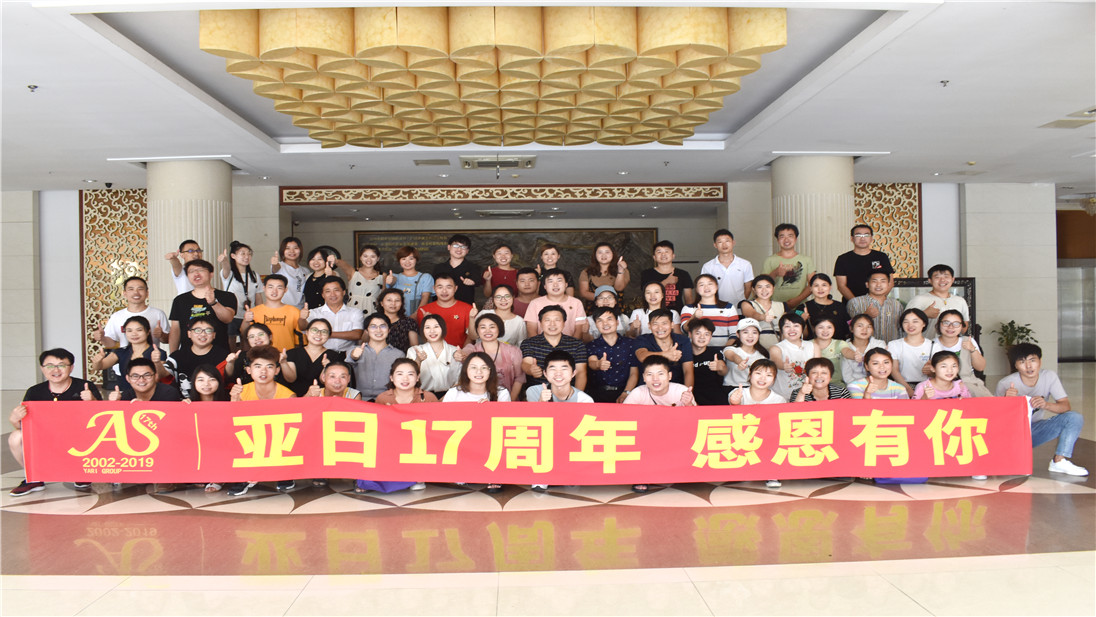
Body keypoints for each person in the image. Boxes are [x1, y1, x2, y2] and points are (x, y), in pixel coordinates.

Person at [8, 348, 101, 497]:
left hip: (79, 439)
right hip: (47, 438)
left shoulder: (85, 387)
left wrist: (92, 401)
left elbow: (102, 421)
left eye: (61, 365)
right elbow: (26, 428)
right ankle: (34, 478)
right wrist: (14, 420)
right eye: (50, 366)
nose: (56, 370)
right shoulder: (34, 392)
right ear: (42, 368)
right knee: (15, 436)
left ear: (71, 367)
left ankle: (82, 472)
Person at [996, 343, 1087, 477]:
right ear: (1015, 365)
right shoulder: (1005, 384)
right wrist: (1007, 401)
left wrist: (1046, 405)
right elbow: (995, 421)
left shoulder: (1049, 376)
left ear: (1040, 361)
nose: (1028, 366)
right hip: (1012, 435)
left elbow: (1065, 406)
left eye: (1032, 360)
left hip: (1035, 430)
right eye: (1022, 362)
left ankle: (1059, 461)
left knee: (1074, 417)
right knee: (1015, 469)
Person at [226, 346, 296, 496]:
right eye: (257, 366)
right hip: (250, 440)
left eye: (269, 366)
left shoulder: (288, 395)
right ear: (249, 370)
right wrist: (234, 400)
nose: (263, 371)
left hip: (277, 440)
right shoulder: (241, 392)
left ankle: (285, 473)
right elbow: (233, 424)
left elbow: (293, 428)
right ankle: (245, 476)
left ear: (277, 370)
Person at [623, 355, 695, 493]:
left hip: (675, 436)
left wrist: (689, 404)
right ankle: (641, 477)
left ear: (669, 376)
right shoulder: (637, 393)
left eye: (660, 374)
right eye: (650, 374)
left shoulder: (681, 391)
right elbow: (624, 420)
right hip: (646, 438)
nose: (655, 379)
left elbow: (695, 421)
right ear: (644, 377)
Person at [728, 358, 786, 489]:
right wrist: (735, 403)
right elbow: (732, 417)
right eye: (758, 373)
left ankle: (772, 474)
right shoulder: (738, 393)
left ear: (774, 379)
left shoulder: (779, 399)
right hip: (742, 437)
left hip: (767, 439)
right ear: (750, 374)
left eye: (769, 375)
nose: (762, 378)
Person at [167, 259, 237, 353]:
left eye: (201, 270)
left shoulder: (226, 296)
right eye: (191, 271)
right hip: (187, 354)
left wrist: (213, 303)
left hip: (219, 353)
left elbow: (228, 318)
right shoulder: (180, 300)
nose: (196, 274)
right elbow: (175, 330)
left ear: (211, 274)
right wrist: (173, 355)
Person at [94, 276, 170, 355]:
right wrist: (102, 338)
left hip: (151, 360)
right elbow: (111, 343)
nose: (136, 292)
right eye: (131, 289)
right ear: (124, 293)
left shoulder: (158, 314)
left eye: (140, 289)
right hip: (125, 360)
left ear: (147, 293)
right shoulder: (116, 316)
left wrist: (161, 335)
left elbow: (167, 340)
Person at [520, 305, 588, 391]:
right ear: (540, 323)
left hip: (568, 392)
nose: (552, 324)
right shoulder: (529, 343)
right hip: (538, 392)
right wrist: (531, 369)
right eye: (547, 320)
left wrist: (576, 396)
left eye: (557, 320)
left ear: (564, 323)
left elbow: (581, 372)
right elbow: (526, 363)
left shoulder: (577, 344)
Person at [462, 313, 525, 401]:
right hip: (477, 400)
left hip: (508, 399)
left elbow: (519, 378)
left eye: (492, 327)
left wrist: (510, 401)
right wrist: (459, 355)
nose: (487, 331)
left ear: (499, 329)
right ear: (477, 330)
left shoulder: (513, 351)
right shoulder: (472, 349)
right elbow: (463, 354)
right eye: (483, 327)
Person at [90, 315, 168, 385]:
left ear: (148, 332)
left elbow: (161, 376)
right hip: (126, 394)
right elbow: (100, 366)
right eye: (129, 330)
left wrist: (157, 362)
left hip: (150, 394)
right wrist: (97, 361)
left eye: (139, 330)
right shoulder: (121, 352)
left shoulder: (158, 353)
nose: (134, 334)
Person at [188, 364, 229, 494]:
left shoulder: (227, 402)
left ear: (219, 382)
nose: (206, 384)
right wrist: (182, 409)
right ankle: (198, 472)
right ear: (193, 383)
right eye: (201, 380)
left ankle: (219, 477)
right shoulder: (187, 404)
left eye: (212, 379)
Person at [931, 309, 991, 397]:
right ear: (939, 324)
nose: (950, 327)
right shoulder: (931, 344)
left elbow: (980, 367)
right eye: (946, 323)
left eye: (956, 324)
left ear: (962, 326)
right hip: (940, 387)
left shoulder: (968, 341)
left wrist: (972, 349)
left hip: (968, 384)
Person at [585, 307, 640, 403]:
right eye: (600, 321)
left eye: (609, 319)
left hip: (625, 392)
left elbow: (634, 373)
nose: (605, 323)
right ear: (596, 324)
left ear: (617, 322)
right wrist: (598, 364)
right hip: (597, 395)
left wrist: (626, 393)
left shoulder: (631, 344)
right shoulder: (592, 345)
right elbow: (591, 362)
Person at [166, 316, 230, 399]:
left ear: (214, 335)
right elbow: (163, 374)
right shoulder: (177, 356)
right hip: (185, 403)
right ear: (189, 334)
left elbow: (229, 377)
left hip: (216, 402)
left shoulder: (224, 355)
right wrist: (156, 362)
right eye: (198, 330)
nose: (203, 334)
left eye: (208, 330)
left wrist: (231, 362)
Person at [282, 318, 345, 397]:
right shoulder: (292, 353)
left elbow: (324, 381)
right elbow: (290, 379)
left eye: (324, 332)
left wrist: (327, 367)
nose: (318, 334)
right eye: (314, 330)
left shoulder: (335, 356)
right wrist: (283, 363)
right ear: (307, 332)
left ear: (329, 336)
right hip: (294, 399)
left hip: (322, 399)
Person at [300, 276, 364, 353]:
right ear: (323, 295)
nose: (332, 294)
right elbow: (303, 327)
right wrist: (302, 318)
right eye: (328, 291)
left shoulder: (355, 312)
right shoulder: (314, 312)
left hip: (347, 355)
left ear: (344, 292)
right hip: (321, 353)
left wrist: (326, 333)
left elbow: (357, 335)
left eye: (336, 290)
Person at [349, 313, 405, 400]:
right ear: (366, 331)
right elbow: (351, 360)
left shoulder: (399, 354)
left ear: (389, 330)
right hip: (359, 399)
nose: (378, 330)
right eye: (373, 326)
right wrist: (354, 356)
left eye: (383, 326)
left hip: (387, 400)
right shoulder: (354, 350)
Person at [217, 241, 260, 352]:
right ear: (233, 256)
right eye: (243, 253)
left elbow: (258, 297)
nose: (247, 256)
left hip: (248, 315)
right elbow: (226, 267)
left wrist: (260, 314)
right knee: (230, 343)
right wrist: (224, 260)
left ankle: (245, 361)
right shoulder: (229, 274)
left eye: (249, 254)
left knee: (247, 342)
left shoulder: (254, 275)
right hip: (232, 315)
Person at [834, 224, 895, 301]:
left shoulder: (881, 257)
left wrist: (877, 300)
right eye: (858, 235)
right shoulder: (843, 259)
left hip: (878, 303)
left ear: (871, 238)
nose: (862, 238)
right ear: (852, 238)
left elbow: (890, 282)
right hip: (852, 303)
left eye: (866, 235)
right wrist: (857, 304)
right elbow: (841, 286)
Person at [636, 308, 694, 387]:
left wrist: (687, 391)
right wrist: (665, 354)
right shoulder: (643, 339)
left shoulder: (683, 340)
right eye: (655, 324)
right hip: (648, 388)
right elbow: (642, 356)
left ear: (672, 324)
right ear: (649, 325)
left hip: (676, 388)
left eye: (664, 323)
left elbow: (688, 371)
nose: (660, 328)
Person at [408, 314, 463, 398]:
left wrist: (445, 398)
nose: (432, 331)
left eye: (436, 327)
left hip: (450, 397)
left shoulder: (455, 351)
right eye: (427, 327)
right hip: (423, 397)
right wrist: (418, 361)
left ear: (443, 328)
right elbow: (409, 378)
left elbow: (460, 380)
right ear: (422, 330)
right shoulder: (414, 351)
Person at [761, 223, 815, 308]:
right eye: (782, 236)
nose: (786, 240)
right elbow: (761, 284)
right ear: (777, 240)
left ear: (796, 239)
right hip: (775, 306)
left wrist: (797, 300)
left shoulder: (806, 260)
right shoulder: (770, 260)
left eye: (790, 236)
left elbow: (813, 284)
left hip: (800, 306)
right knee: (776, 317)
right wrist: (775, 273)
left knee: (799, 317)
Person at [242, 274, 300, 351]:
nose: (274, 291)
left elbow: (300, 340)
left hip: (287, 354)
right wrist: (246, 320)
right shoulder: (253, 312)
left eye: (279, 288)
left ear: (285, 290)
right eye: (270, 287)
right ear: (264, 288)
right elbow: (244, 333)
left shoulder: (294, 312)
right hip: (261, 354)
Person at [681, 274, 741, 348]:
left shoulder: (729, 307)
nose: (706, 287)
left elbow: (734, 334)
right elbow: (684, 330)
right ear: (696, 289)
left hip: (723, 350)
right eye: (701, 285)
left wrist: (724, 350)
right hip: (697, 351)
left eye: (710, 284)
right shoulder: (689, 308)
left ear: (717, 287)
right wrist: (694, 317)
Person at [905, 264, 970, 333]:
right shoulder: (919, 299)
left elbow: (964, 328)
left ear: (952, 279)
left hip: (951, 340)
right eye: (937, 277)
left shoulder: (960, 301)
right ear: (930, 280)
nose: (942, 280)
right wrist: (924, 314)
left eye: (946, 276)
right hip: (926, 340)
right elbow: (904, 325)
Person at [416, 274, 475, 348]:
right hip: (434, 352)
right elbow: (424, 338)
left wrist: (463, 352)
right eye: (440, 287)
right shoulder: (424, 310)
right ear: (434, 288)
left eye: (448, 287)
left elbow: (471, 337)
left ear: (455, 288)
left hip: (460, 351)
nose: (444, 291)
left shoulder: (467, 309)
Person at [525, 269, 586, 338]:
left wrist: (572, 344)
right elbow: (531, 329)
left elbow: (580, 329)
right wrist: (538, 344)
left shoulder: (576, 303)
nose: (555, 285)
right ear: (544, 286)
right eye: (550, 281)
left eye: (559, 281)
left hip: (570, 343)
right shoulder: (535, 303)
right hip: (541, 344)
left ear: (566, 284)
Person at [700, 228, 754, 306]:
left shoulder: (745, 264)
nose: (724, 245)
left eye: (727, 241)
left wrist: (741, 303)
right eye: (720, 242)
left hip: (739, 308)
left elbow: (748, 288)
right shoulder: (708, 266)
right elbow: (704, 288)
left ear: (733, 242)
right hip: (716, 307)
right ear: (715, 245)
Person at [886, 308, 933, 398]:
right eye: (906, 322)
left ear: (924, 323)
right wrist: (908, 389)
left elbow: (939, 370)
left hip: (927, 386)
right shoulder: (894, 344)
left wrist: (932, 371)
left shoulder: (933, 345)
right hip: (901, 386)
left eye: (915, 321)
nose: (910, 325)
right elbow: (894, 370)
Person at [768, 313, 816, 400]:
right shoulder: (776, 348)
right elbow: (776, 361)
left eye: (796, 326)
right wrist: (783, 366)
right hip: (783, 396)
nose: (792, 329)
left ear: (802, 328)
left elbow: (818, 367)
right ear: (781, 330)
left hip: (807, 395)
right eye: (787, 326)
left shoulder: (813, 346)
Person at [846, 271, 903, 342]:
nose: (878, 285)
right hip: (866, 347)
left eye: (883, 281)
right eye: (874, 281)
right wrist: (865, 315)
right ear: (867, 284)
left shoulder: (896, 304)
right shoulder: (855, 303)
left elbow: (901, 329)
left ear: (888, 284)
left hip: (891, 347)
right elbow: (849, 328)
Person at [640, 240, 693, 312]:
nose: (663, 254)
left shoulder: (683, 274)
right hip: (653, 314)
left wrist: (688, 315)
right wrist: (666, 281)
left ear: (673, 256)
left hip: (678, 314)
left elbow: (688, 299)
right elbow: (645, 295)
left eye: (666, 251)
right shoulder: (646, 274)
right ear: (654, 257)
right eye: (659, 252)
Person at [688, 318, 731, 406]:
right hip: (690, 400)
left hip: (715, 401)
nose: (702, 337)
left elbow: (724, 370)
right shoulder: (684, 354)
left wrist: (720, 367)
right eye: (698, 333)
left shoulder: (715, 353)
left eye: (706, 334)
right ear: (690, 334)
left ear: (711, 337)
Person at [432, 234, 482, 305]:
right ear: (449, 247)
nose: (459, 249)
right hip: (441, 306)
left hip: (465, 307)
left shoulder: (474, 267)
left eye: (463, 247)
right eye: (456, 246)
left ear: (467, 251)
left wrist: (472, 281)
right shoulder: (439, 268)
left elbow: (478, 280)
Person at [739, 274, 785, 350]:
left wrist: (801, 314)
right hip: (756, 345)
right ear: (754, 289)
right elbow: (752, 314)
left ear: (773, 288)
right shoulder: (746, 303)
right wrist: (762, 317)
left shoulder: (782, 305)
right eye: (760, 287)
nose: (764, 290)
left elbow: (794, 314)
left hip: (778, 345)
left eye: (767, 286)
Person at [385, 246, 434, 316]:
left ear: (416, 260)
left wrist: (416, 315)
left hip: (418, 316)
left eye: (411, 258)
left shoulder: (426, 277)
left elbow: (425, 298)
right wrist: (390, 280)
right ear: (399, 260)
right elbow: (392, 281)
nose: (407, 262)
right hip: (397, 317)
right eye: (403, 259)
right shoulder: (395, 276)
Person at [841, 313, 888, 386]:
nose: (864, 330)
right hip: (854, 386)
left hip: (878, 384)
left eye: (869, 326)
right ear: (851, 328)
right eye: (860, 326)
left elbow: (885, 369)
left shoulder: (879, 344)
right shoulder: (845, 347)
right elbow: (847, 376)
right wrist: (859, 388)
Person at [445, 352, 512, 402]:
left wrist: (491, 408)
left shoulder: (502, 394)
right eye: (473, 367)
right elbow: (444, 416)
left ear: (491, 371)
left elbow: (506, 417)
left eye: (484, 367)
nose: (479, 372)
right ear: (466, 370)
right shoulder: (453, 393)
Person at [810, 316, 856, 388]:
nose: (825, 331)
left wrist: (854, 355)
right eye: (821, 327)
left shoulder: (839, 343)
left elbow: (847, 352)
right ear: (814, 328)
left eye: (829, 327)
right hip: (814, 385)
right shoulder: (807, 345)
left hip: (836, 385)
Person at [338, 244, 385, 315]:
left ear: (378, 258)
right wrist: (334, 260)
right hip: (352, 312)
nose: (369, 259)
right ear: (360, 257)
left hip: (372, 313)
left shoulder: (382, 276)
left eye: (373, 256)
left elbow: (383, 297)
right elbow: (342, 264)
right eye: (365, 256)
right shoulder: (353, 272)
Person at [801, 273, 850, 341]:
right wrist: (802, 321)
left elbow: (849, 326)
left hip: (838, 345)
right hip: (813, 345)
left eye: (824, 285)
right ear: (811, 288)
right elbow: (801, 335)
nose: (820, 289)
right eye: (816, 285)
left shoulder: (840, 306)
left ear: (830, 287)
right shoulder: (801, 308)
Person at [108, 358, 183, 402]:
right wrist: (116, 404)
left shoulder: (169, 393)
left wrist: (143, 407)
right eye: (135, 376)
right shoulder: (125, 396)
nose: (141, 380)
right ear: (128, 379)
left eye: (147, 375)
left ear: (156, 376)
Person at [723, 318, 767, 388]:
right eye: (745, 332)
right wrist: (740, 362)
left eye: (754, 332)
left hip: (752, 389)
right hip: (731, 388)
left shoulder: (762, 356)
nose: (750, 336)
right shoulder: (731, 349)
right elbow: (732, 356)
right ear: (738, 334)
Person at [374, 358, 439, 405]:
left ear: (417, 377)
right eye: (400, 374)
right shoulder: (382, 398)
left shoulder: (429, 398)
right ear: (391, 377)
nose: (405, 379)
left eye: (410, 374)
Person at [377, 288, 419, 352]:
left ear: (402, 303)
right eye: (389, 300)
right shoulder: (373, 321)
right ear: (382, 303)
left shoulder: (409, 322)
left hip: (402, 357)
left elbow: (414, 347)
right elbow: (365, 342)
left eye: (397, 300)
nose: (393, 303)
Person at [270, 236, 308, 308]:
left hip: (300, 309)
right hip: (283, 309)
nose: (292, 251)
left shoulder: (305, 270)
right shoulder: (280, 266)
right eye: (287, 248)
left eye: (295, 248)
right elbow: (275, 269)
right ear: (282, 251)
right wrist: (274, 264)